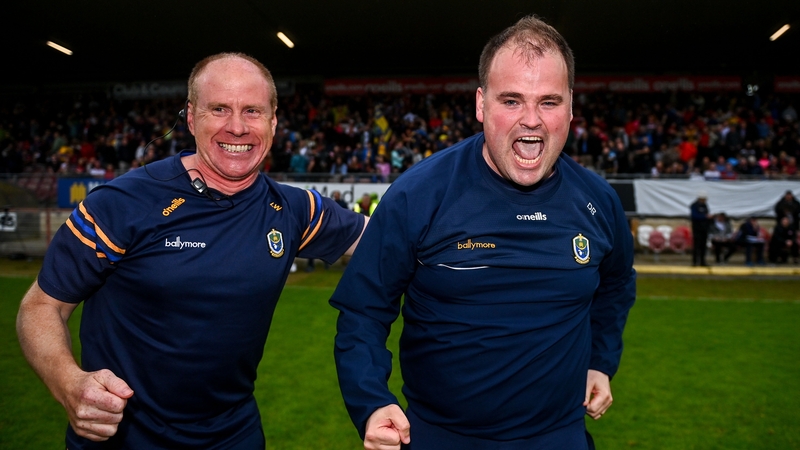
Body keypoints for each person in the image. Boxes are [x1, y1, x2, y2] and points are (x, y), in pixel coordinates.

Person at [16, 53, 367, 449]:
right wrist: (69, 382)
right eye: (219, 109)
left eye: (252, 110)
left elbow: (386, 240)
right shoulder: (122, 203)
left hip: (235, 435)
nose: (237, 127)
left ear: (272, 122)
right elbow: (40, 307)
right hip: (124, 437)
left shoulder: (293, 209)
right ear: (190, 116)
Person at [330, 15, 635, 450]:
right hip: (440, 437)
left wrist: (601, 361)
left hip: (559, 435)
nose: (531, 120)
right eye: (511, 100)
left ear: (570, 107)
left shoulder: (598, 201)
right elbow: (363, 310)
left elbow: (618, 282)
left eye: (548, 101)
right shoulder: (418, 195)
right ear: (480, 104)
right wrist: (371, 401)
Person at [690, 191, 711, 266]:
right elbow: (694, 216)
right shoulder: (694, 206)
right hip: (697, 229)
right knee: (696, 246)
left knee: (703, 246)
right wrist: (705, 217)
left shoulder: (705, 205)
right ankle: (695, 262)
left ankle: (702, 261)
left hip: (704, 229)